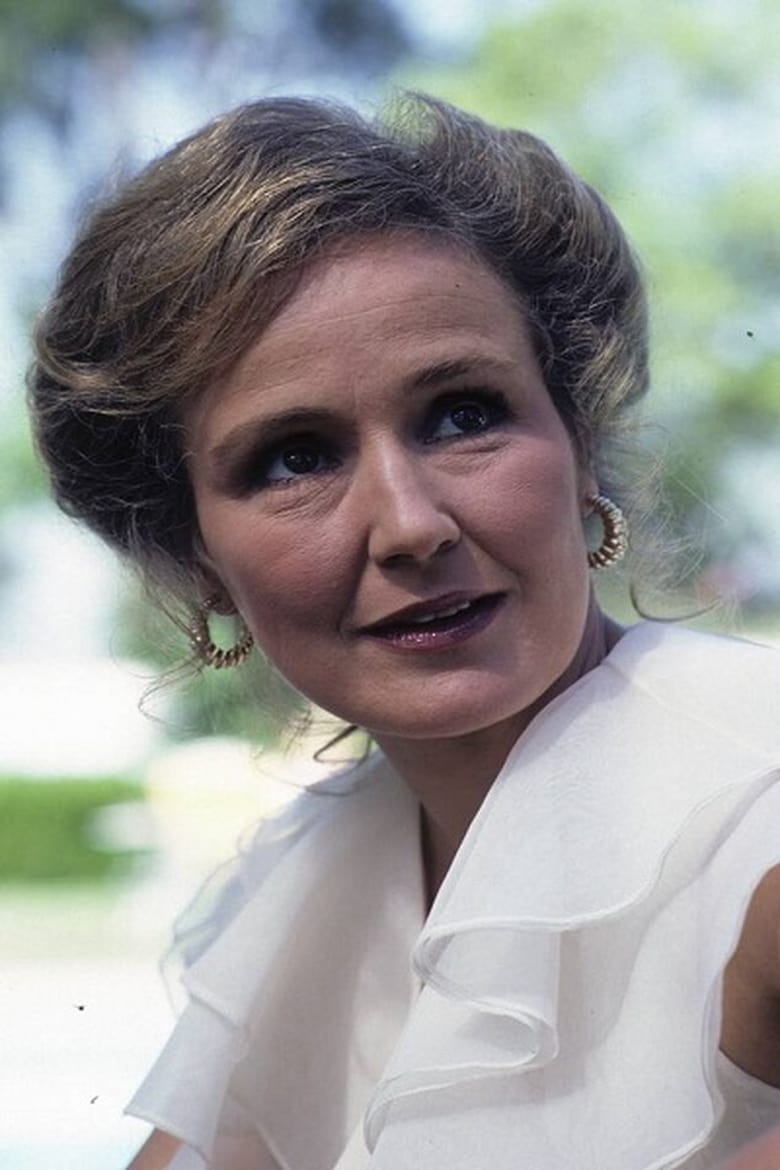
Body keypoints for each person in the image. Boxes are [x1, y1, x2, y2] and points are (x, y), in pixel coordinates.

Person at [29, 94, 779, 1170]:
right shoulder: (311, 893)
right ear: (200, 565)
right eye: (294, 458)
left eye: (464, 414)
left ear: (580, 448)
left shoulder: (756, 830)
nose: (411, 524)